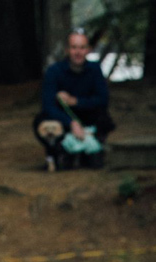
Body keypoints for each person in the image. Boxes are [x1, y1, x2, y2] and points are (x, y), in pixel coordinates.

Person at [34, 29, 115, 174]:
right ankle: (59, 152)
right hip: (63, 121)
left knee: (104, 118)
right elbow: (47, 105)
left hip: (88, 118)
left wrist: (75, 101)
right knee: (42, 121)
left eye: (82, 47)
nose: (78, 52)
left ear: (88, 50)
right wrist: (70, 123)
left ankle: (92, 150)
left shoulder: (94, 69)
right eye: (74, 47)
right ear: (67, 50)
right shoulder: (54, 71)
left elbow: (102, 100)